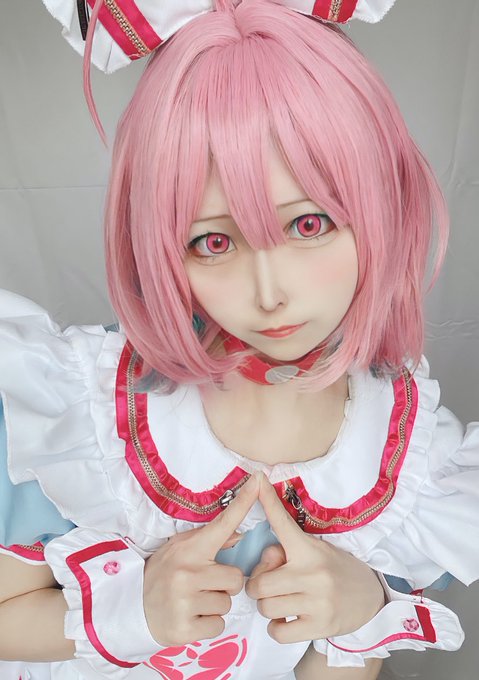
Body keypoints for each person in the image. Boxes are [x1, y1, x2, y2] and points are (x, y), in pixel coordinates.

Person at [0, 1, 478, 679]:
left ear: (380, 207)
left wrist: (360, 610)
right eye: (213, 242)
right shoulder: (74, 414)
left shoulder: (408, 458)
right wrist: (132, 612)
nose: (268, 293)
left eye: (309, 225)